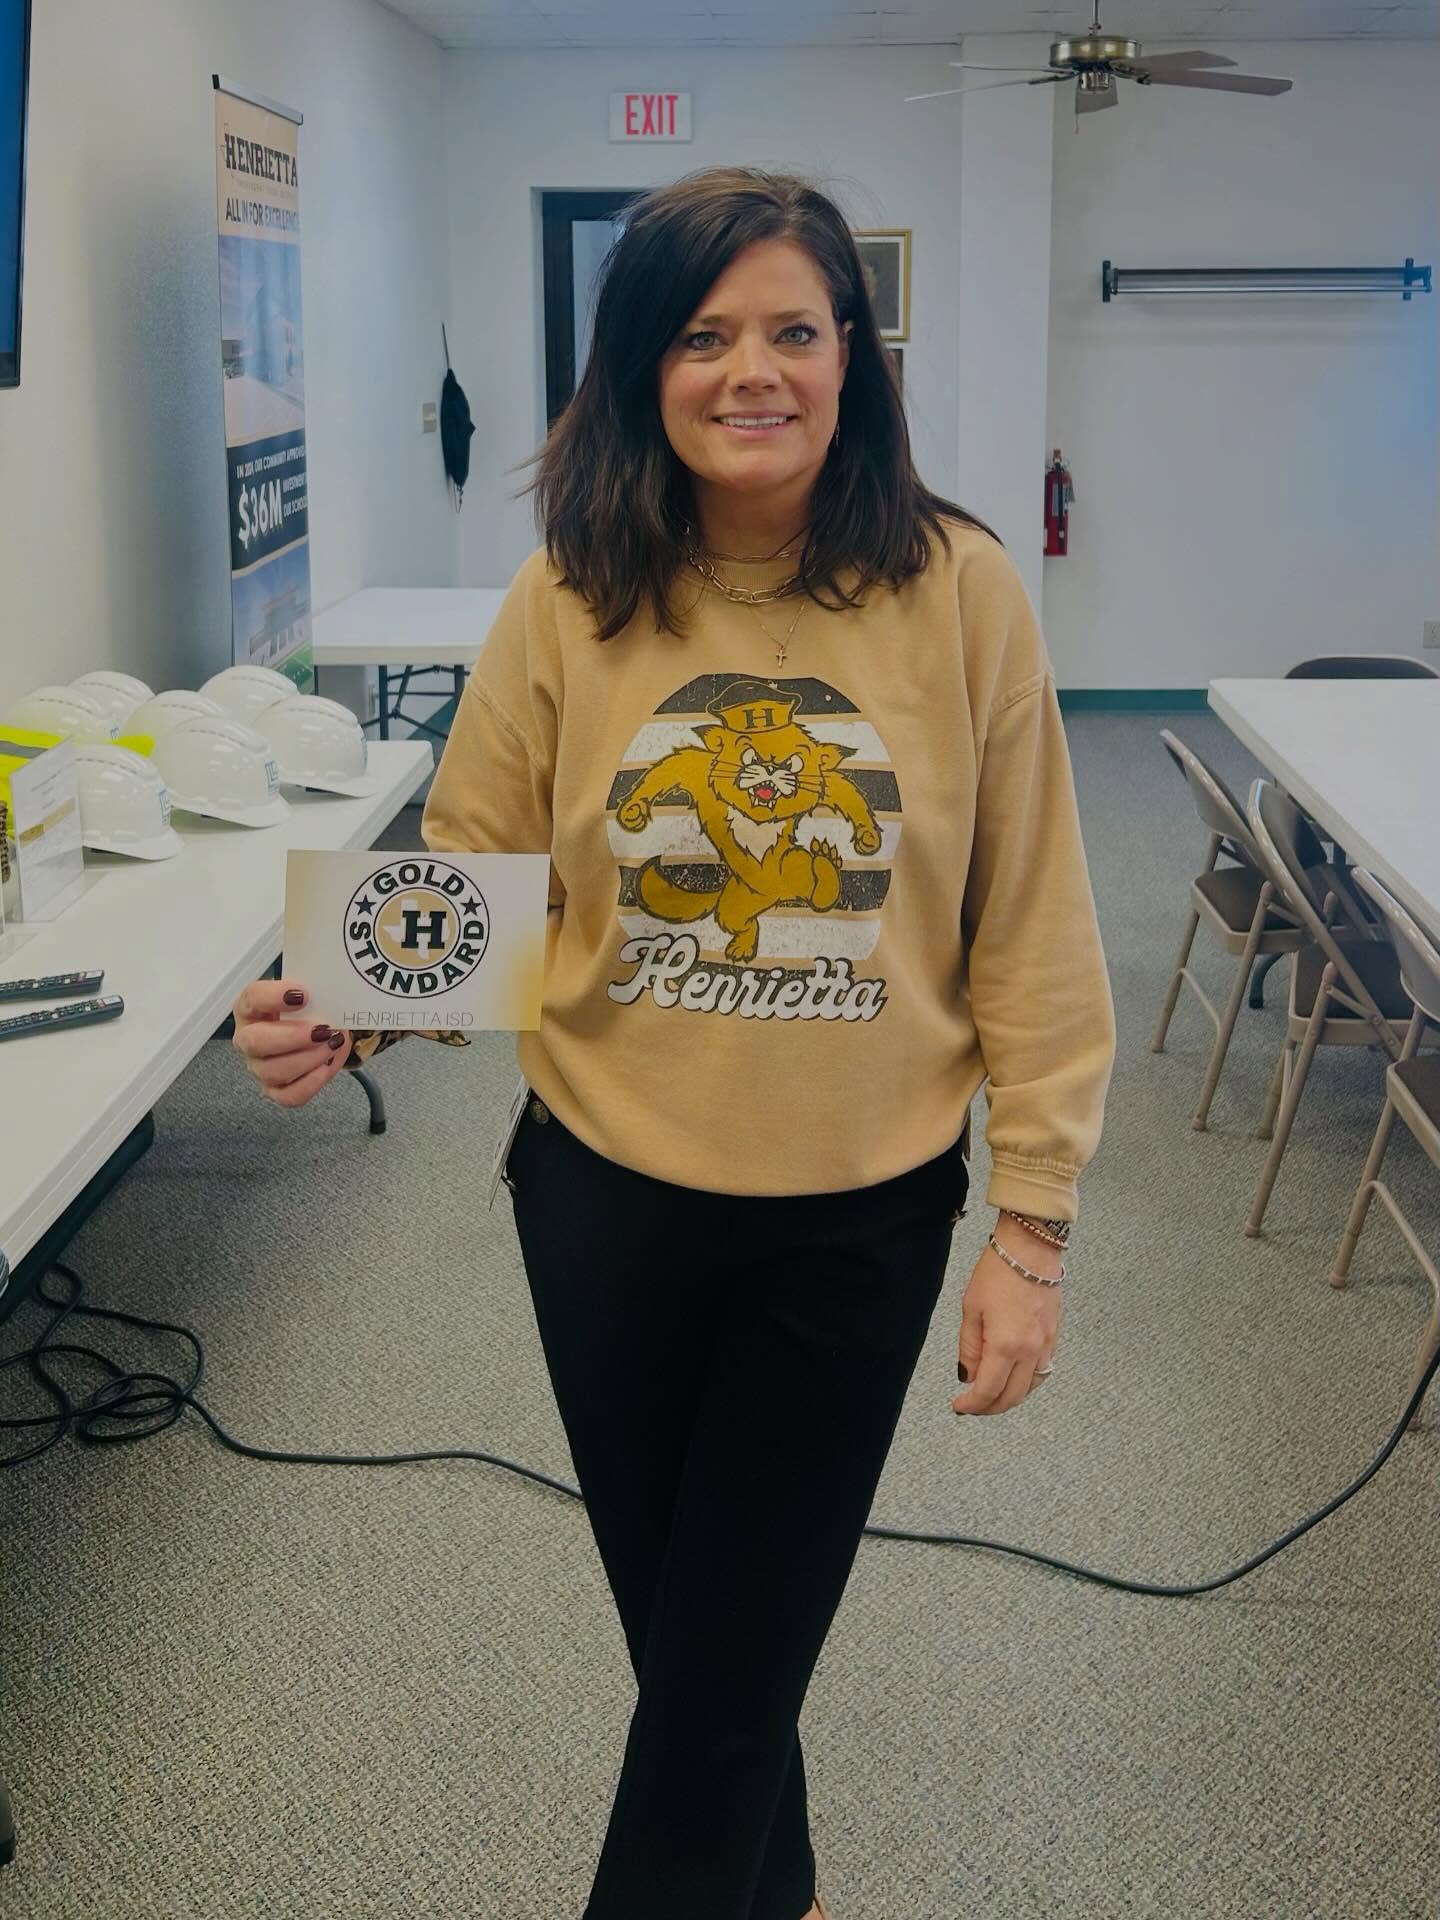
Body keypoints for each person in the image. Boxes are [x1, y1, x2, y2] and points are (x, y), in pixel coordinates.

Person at [232, 166, 1116, 1920]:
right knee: (706, 1654)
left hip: (854, 1220)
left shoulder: (959, 589)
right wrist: (347, 1005)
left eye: (795, 330)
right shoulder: (570, 593)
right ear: (644, 365)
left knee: (715, 1694)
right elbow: (482, 870)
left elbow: (1031, 918)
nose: (752, 371)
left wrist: (1034, 1222)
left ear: (853, 355)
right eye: (705, 336)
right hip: (604, 1203)